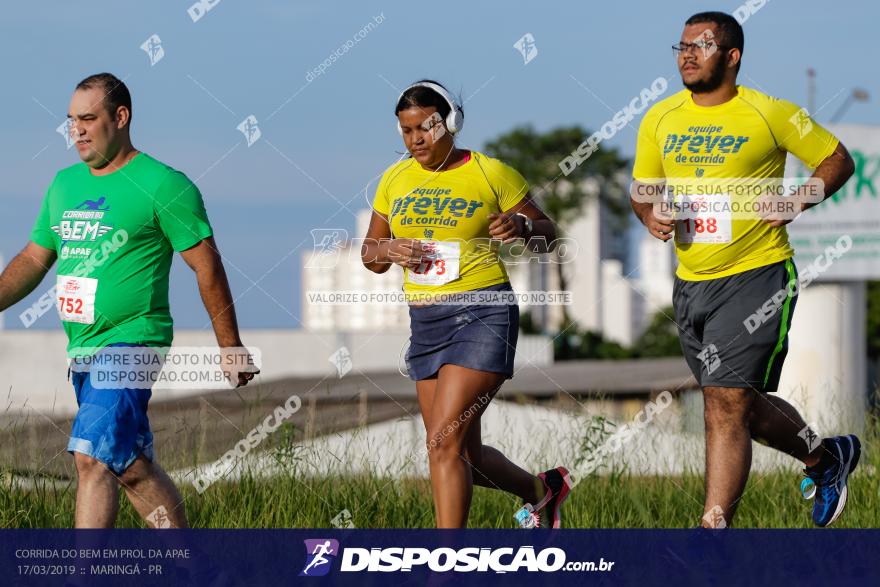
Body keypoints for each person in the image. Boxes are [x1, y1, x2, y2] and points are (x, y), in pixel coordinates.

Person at [631, 12, 858, 528]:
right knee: (738, 406)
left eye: (701, 46)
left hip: (758, 275)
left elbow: (837, 159)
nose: (687, 55)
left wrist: (799, 198)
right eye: (681, 46)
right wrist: (650, 214)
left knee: (723, 405)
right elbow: (642, 191)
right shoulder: (659, 118)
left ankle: (713, 534)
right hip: (690, 284)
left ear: (731, 56)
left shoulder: (771, 112)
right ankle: (826, 457)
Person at [0, 73, 257, 528]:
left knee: (90, 459)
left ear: (120, 117)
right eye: (70, 121)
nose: (75, 130)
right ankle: (195, 569)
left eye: (87, 118)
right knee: (129, 468)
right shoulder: (63, 186)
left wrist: (229, 344)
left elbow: (207, 266)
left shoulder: (163, 184)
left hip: (133, 343)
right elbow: (33, 259)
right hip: (82, 348)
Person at [362, 80, 572, 528]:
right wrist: (390, 249)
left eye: (425, 128)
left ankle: (448, 566)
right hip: (426, 323)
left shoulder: (490, 172)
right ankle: (543, 491)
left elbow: (549, 234)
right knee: (464, 455)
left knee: (442, 445)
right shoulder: (394, 180)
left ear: (450, 123)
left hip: (483, 313)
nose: (415, 139)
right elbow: (370, 254)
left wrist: (520, 226)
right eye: (406, 130)